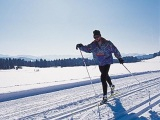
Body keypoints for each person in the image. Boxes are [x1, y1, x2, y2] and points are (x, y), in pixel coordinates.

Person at [76, 30, 124, 104]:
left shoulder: (107, 43)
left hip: (107, 61)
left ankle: (105, 97)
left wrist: (119, 58)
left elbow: (115, 50)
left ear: (100, 35)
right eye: (95, 37)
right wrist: (81, 46)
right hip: (100, 62)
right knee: (105, 75)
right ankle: (111, 85)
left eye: (97, 36)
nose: (96, 38)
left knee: (102, 77)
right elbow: (87, 49)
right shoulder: (93, 44)